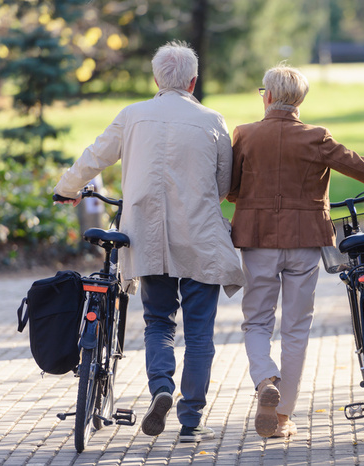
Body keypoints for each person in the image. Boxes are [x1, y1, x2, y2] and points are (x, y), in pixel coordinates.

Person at [53, 41, 245, 443]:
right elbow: (225, 185)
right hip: (200, 236)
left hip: (147, 235)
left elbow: (95, 155)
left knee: (159, 322)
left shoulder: (133, 115)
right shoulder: (212, 120)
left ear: (156, 79)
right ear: (193, 81)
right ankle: (191, 420)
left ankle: (161, 386)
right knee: (199, 332)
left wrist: (68, 186)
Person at [227, 65, 364, 438]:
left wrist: (248, 199)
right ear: (299, 100)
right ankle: (282, 415)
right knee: (296, 329)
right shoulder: (316, 137)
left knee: (256, 321)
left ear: (267, 96)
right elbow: (360, 166)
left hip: (257, 239)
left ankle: (265, 378)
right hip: (304, 242)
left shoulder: (246, 136)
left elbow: (232, 188)